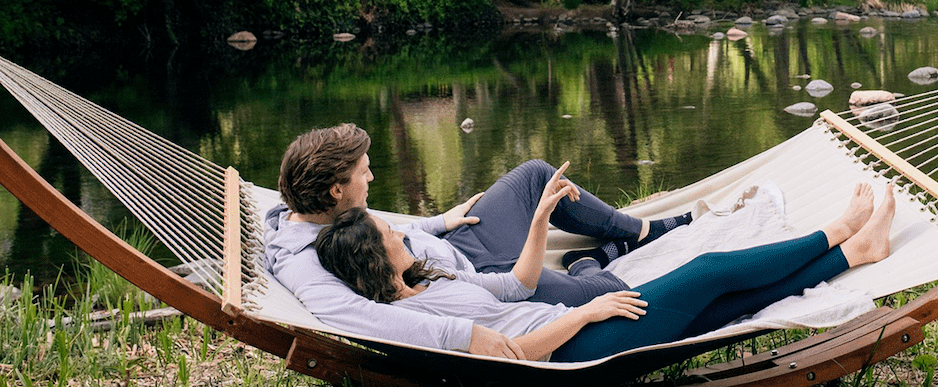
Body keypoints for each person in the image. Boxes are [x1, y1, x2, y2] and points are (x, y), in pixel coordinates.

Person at [313, 169, 896, 363]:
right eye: (390, 232)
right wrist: (586, 311)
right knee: (711, 270)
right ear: (374, 257)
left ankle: (854, 253)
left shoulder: (429, 278)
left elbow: (517, 285)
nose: (400, 229)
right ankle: (839, 232)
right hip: (574, 349)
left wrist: (541, 218)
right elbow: (516, 353)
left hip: (572, 323)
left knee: (718, 306)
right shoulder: (413, 317)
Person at [263, 123, 692, 358]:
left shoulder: (333, 212)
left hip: (458, 250)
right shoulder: (303, 262)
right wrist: (465, 334)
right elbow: (362, 317)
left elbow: (394, 237)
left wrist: (437, 223)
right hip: (481, 287)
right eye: (364, 172)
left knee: (536, 175)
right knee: (612, 293)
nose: (372, 177)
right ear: (336, 190)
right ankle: (588, 263)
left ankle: (640, 230)